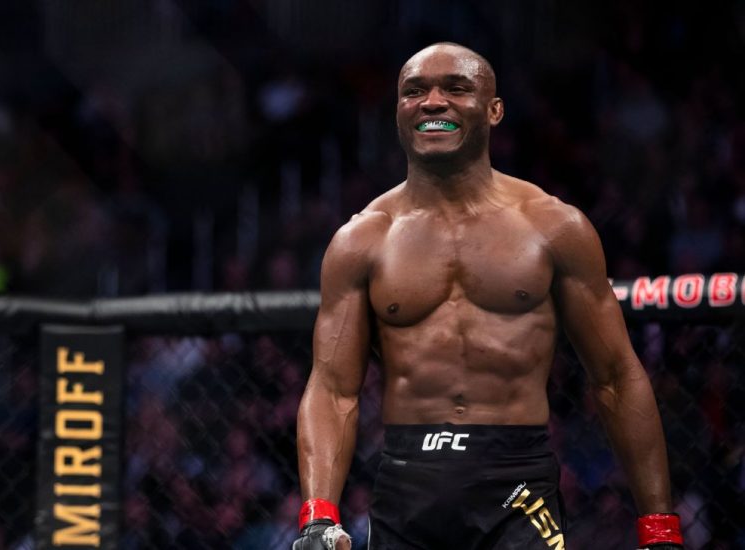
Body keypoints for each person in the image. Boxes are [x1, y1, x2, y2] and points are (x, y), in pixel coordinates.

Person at [293, 43, 684, 550]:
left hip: (518, 483)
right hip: (406, 487)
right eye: (415, 91)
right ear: (398, 111)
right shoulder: (362, 240)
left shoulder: (552, 227)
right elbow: (332, 389)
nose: (433, 101)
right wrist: (318, 516)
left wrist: (659, 528)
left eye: (456, 88)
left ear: (494, 110)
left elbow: (614, 376)